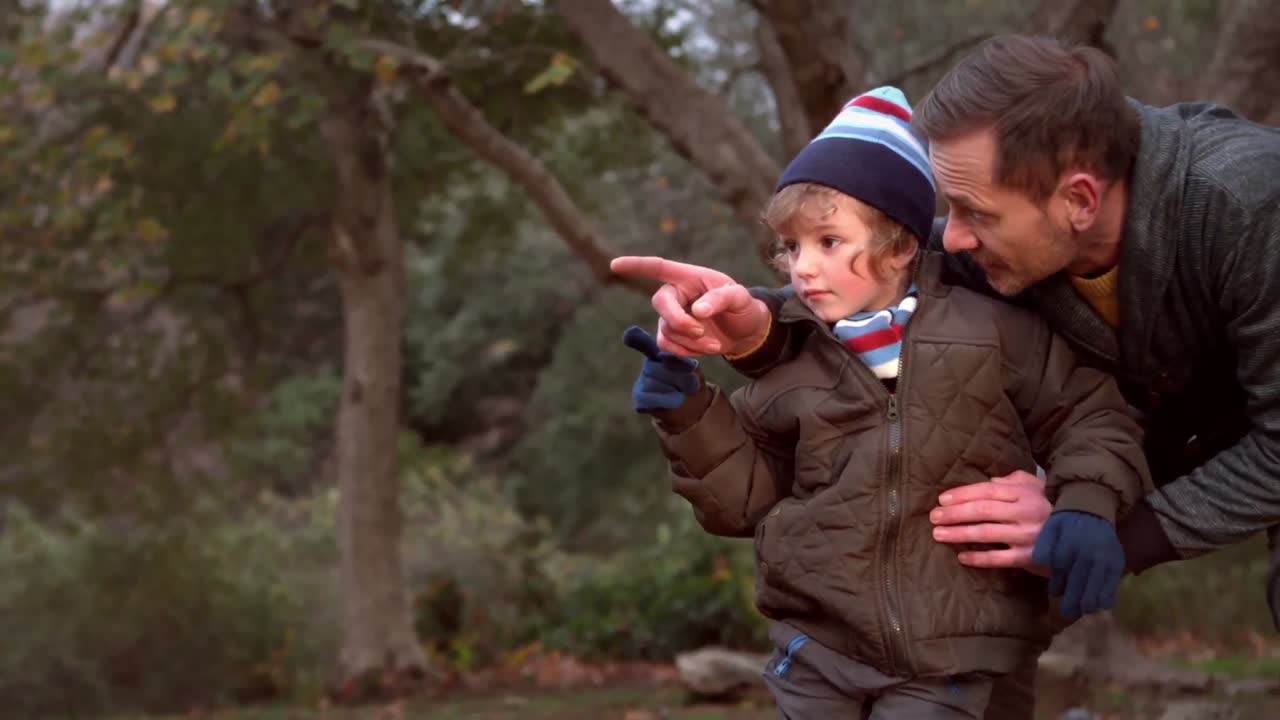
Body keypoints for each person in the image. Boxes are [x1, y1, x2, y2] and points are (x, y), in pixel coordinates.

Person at [612, 33, 1280, 718]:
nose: (950, 237)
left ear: (1078, 199)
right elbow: (881, 287)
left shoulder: (1248, 206)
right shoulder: (1009, 240)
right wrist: (751, 324)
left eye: (975, 213)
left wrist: (1119, 529)